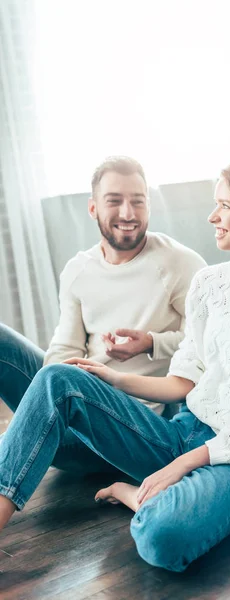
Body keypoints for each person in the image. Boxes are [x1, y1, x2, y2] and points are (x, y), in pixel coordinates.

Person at [0, 158, 230, 572]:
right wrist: (111, 379)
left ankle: (137, 496)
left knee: (162, 538)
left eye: (223, 206)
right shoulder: (212, 284)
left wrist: (182, 464)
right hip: (186, 431)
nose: (212, 217)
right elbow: (183, 382)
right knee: (56, 379)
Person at [0, 155, 206, 473]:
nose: (128, 213)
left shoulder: (179, 264)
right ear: (93, 207)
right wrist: (47, 407)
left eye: (138, 202)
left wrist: (151, 343)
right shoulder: (77, 270)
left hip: (130, 430)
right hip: (74, 416)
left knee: (58, 385)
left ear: (149, 206)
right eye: (115, 201)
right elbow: (64, 349)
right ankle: (28, 437)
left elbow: (209, 346)